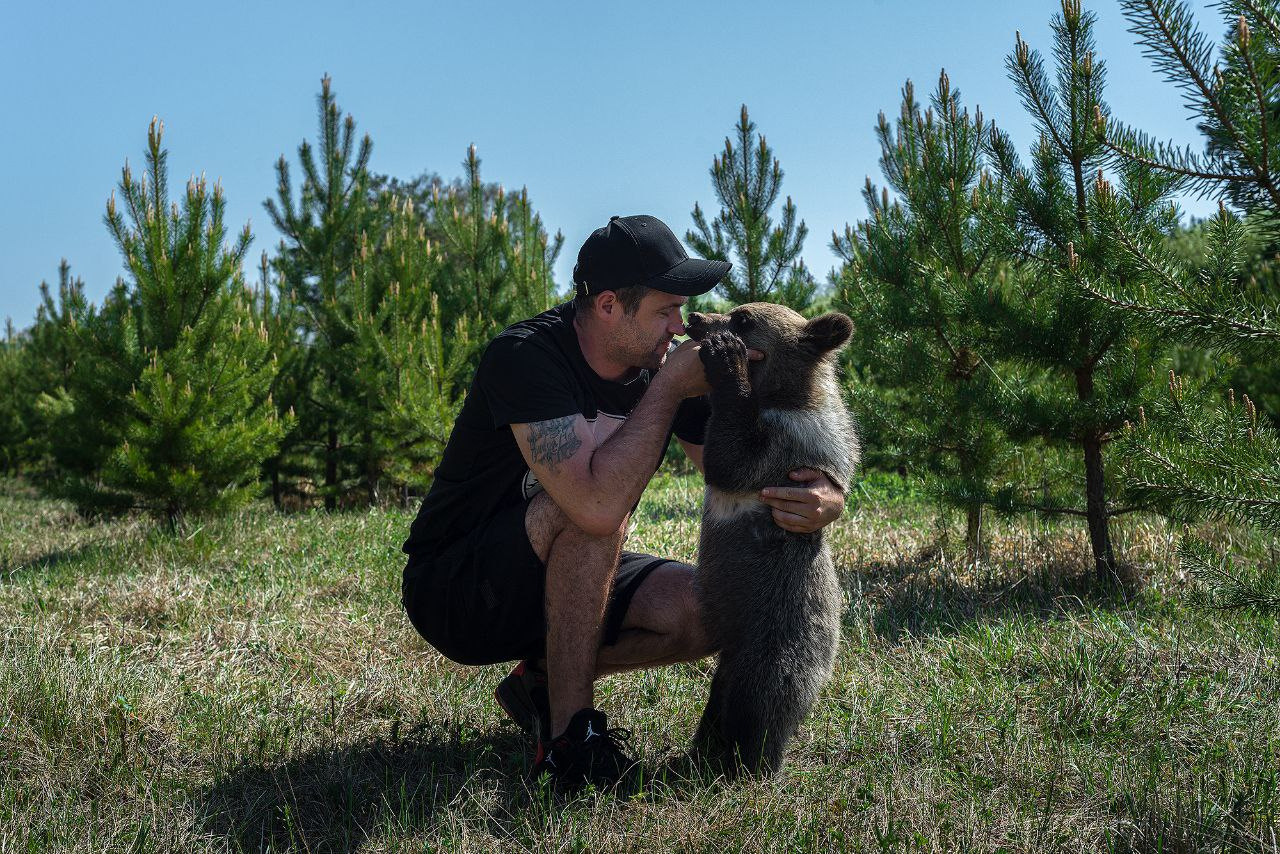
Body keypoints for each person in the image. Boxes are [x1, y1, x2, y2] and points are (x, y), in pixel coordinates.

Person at [400, 214, 845, 791]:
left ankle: (538, 683)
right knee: (591, 511)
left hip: (563, 575)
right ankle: (570, 743)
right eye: (666, 311)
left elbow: (737, 472)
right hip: (461, 589)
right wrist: (665, 390)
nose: (682, 327)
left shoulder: (654, 360)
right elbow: (595, 508)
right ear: (609, 305)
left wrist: (825, 494)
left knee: (704, 608)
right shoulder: (526, 357)